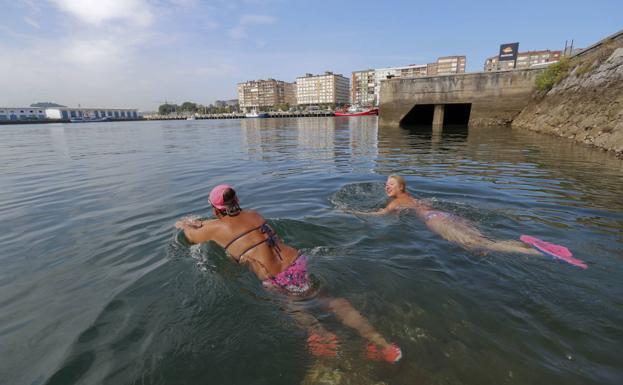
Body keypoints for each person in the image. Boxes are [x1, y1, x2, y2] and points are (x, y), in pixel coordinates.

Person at [175, 184, 402, 362]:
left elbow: (188, 234)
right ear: (237, 202)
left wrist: (188, 223)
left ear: (215, 209)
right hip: (298, 261)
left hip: (276, 278)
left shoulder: (214, 228)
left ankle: (324, 337)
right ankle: (381, 343)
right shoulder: (255, 215)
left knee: (293, 307)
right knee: (331, 301)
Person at [347, 175, 586, 268]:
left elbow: (379, 215)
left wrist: (351, 212)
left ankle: (542, 253)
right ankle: (530, 244)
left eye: (391, 184)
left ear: (400, 187)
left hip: (437, 221)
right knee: (474, 244)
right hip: (448, 215)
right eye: (385, 184)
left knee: (484, 244)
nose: (386, 186)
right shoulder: (412, 197)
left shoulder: (396, 203)